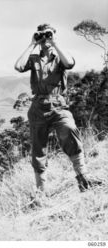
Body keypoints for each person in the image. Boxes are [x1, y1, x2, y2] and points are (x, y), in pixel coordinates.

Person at [14, 23, 102, 193]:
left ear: (54, 36)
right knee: (38, 148)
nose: (45, 38)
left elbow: (69, 63)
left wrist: (54, 43)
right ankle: (41, 192)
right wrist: (32, 43)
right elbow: (18, 66)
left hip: (58, 104)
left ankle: (83, 178)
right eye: (42, 35)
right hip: (38, 107)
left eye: (48, 34)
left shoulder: (60, 57)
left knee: (69, 129)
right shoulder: (34, 59)